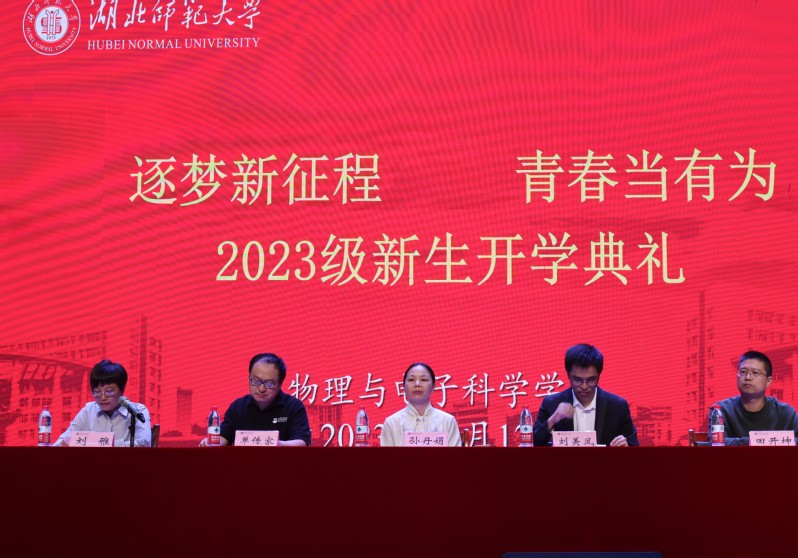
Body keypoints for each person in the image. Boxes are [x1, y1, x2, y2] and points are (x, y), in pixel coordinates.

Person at [533, 344, 638, 446]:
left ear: (599, 376)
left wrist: (625, 445)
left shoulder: (617, 406)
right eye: (578, 380)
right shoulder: (552, 403)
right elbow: (533, 443)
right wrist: (553, 419)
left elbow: (633, 444)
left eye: (591, 380)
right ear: (568, 375)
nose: (584, 386)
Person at [200, 353, 311, 446]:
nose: (261, 389)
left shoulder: (293, 406)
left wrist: (279, 445)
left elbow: (302, 442)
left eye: (269, 383)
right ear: (249, 378)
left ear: (280, 383)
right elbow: (224, 436)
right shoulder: (237, 407)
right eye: (256, 381)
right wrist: (210, 443)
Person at [53, 359, 151, 447]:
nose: (103, 397)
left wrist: (100, 444)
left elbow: (144, 443)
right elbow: (62, 441)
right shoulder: (88, 410)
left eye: (109, 391)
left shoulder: (138, 411)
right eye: (97, 392)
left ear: (122, 390)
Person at [710, 350, 798, 446]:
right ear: (736, 376)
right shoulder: (720, 411)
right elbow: (716, 444)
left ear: (768, 381)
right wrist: (761, 441)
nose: (748, 377)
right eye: (743, 372)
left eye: (755, 373)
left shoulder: (786, 413)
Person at [380, 362, 461, 447]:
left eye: (424, 380)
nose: (417, 384)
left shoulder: (447, 421)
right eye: (411, 380)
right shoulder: (392, 423)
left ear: (433, 387)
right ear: (403, 386)